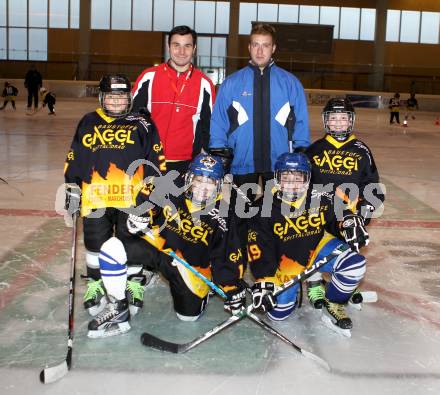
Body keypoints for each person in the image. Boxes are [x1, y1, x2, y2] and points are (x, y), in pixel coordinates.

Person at [63, 74, 166, 338]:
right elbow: (74, 156)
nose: (116, 101)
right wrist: (72, 186)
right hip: (95, 196)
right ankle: (96, 283)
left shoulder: (142, 123)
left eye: (121, 96)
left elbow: (157, 162)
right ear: (102, 97)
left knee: (128, 243)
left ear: (129, 98)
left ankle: (133, 283)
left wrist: (148, 196)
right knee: (95, 243)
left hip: (131, 198)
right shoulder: (88, 121)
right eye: (111, 96)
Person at [208, 23, 310, 259]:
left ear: (273, 48)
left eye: (265, 45)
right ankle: (238, 260)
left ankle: (279, 258)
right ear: (249, 47)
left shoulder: (290, 82)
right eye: (256, 45)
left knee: (279, 215)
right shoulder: (232, 83)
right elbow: (219, 121)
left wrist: (301, 150)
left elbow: (301, 121)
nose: (260, 51)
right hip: (242, 162)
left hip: (280, 165)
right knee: (239, 215)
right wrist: (218, 150)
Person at [247, 152, 368, 333]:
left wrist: (350, 222)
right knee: (278, 314)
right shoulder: (261, 208)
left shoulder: (321, 194)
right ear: (277, 178)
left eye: (298, 178)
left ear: (307, 179)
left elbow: (344, 209)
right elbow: (258, 250)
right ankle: (300, 284)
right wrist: (265, 281)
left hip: (317, 247)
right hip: (286, 263)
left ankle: (333, 302)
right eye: (286, 178)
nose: (292, 185)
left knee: (354, 265)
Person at [138, 153, 246, 322]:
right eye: (199, 180)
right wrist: (141, 214)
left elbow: (226, 253)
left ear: (219, 185)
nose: (203, 188)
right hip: (159, 247)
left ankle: (199, 290)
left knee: (188, 317)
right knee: (117, 245)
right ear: (188, 178)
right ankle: (122, 298)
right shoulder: (171, 186)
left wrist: (231, 287)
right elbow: (146, 197)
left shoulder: (223, 214)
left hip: (186, 264)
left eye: (210, 182)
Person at [305, 98, 385, 309]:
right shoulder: (314, 150)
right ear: (325, 121)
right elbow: (302, 183)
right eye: (333, 118)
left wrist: (363, 211)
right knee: (311, 247)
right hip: (318, 213)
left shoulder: (361, 150)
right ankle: (313, 282)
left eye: (343, 118)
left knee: (348, 251)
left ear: (351, 121)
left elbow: (372, 186)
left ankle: (342, 283)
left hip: (348, 216)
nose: (338, 123)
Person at [132, 25, 216, 179]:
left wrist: (203, 160)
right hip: (149, 160)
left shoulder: (205, 84)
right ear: (168, 46)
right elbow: (132, 118)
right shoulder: (148, 77)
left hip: (186, 164)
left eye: (187, 46)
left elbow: (208, 127)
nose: (182, 52)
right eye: (176, 45)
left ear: (194, 48)